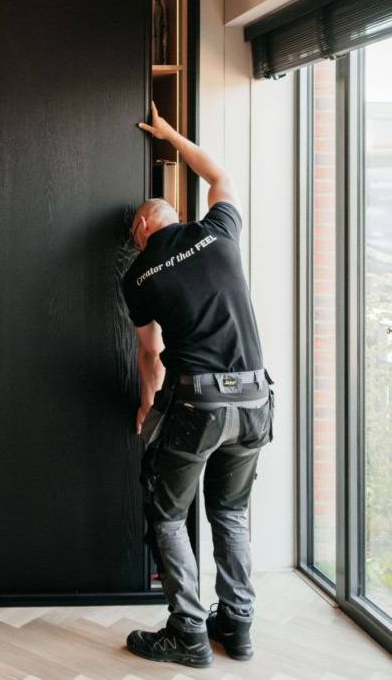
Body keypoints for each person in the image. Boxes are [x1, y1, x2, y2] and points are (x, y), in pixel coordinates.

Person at [122, 104, 274, 669]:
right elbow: (219, 177)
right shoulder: (219, 230)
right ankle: (237, 627)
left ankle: (187, 631)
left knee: (166, 514)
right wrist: (169, 136)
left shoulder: (138, 274)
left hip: (198, 404)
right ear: (174, 216)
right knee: (229, 514)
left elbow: (150, 352)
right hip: (256, 399)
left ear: (142, 227)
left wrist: (146, 405)